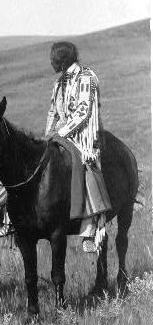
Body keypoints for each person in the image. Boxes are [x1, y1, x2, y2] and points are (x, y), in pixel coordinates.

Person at [44, 41, 110, 253]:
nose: (51, 62)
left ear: (62, 60)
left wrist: (62, 132)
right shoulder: (59, 83)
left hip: (84, 136)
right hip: (63, 134)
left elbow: (83, 112)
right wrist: (48, 136)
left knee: (85, 165)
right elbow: (53, 112)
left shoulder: (86, 78)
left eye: (53, 58)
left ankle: (89, 229)